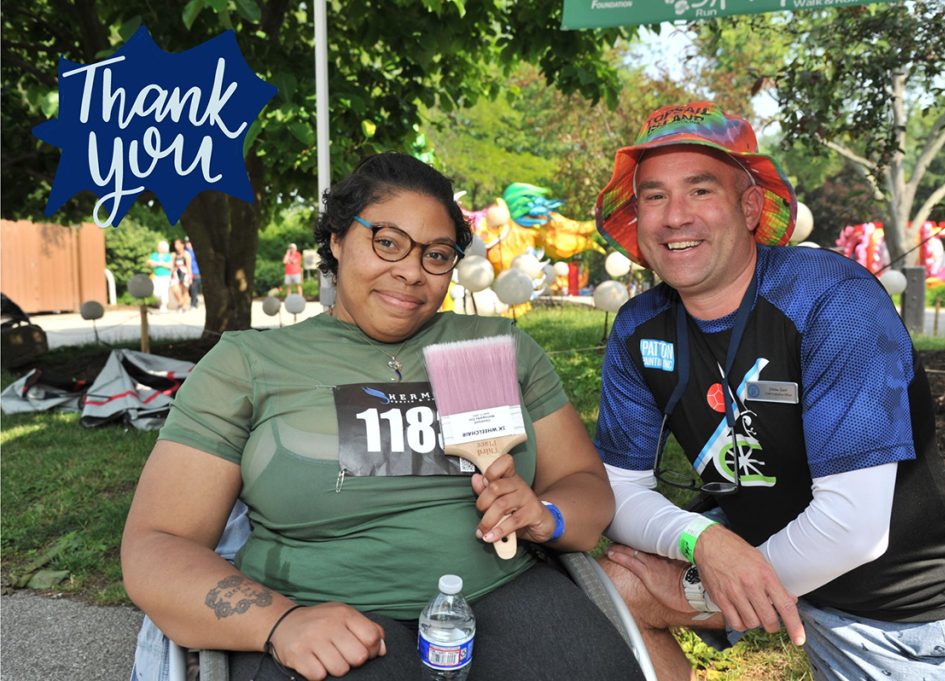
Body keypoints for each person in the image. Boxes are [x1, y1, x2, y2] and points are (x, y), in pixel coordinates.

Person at [122, 152, 645, 681]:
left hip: (505, 592)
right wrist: (280, 624)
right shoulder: (248, 364)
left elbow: (585, 487)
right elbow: (157, 545)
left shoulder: (495, 346)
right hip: (321, 614)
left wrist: (546, 515)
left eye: (437, 255)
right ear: (337, 239)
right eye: (388, 242)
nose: (411, 272)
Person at [590, 102, 945, 681]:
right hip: (749, 545)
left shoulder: (833, 301)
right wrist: (704, 546)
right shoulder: (640, 326)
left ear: (749, 207)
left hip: (884, 593)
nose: (674, 218)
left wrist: (701, 590)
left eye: (700, 190)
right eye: (653, 195)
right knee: (615, 588)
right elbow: (617, 488)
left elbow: (853, 531)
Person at [147, 241, 173, 314]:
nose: (158, 248)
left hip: (165, 276)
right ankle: (159, 302)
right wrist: (157, 263)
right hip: (156, 275)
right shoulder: (154, 255)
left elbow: (170, 265)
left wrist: (160, 263)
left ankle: (164, 305)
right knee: (156, 291)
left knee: (164, 290)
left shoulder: (168, 256)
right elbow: (149, 262)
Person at [171, 239, 192, 314]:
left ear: (182, 245)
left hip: (184, 272)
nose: (176, 246)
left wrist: (190, 277)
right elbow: (172, 265)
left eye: (178, 244)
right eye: (175, 244)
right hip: (176, 273)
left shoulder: (186, 254)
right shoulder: (174, 255)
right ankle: (181, 302)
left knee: (185, 290)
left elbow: (189, 266)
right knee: (175, 289)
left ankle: (185, 306)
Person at [184, 236, 202, 309]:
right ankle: (195, 300)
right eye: (187, 243)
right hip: (187, 272)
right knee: (190, 288)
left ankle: (193, 303)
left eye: (189, 243)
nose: (188, 244)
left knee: (194, 287)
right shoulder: (185, 251)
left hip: (195, 271)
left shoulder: (196, 251)